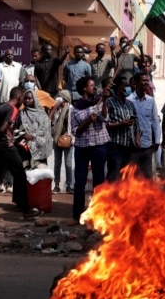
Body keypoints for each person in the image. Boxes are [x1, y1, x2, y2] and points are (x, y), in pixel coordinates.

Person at [0, 87, 35, 221]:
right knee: (20, 176)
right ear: (19, 97)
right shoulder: (12, 109)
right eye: (23, 97)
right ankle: (26, 211)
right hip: (6, 147)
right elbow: (2, 128)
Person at [71, 76, 109, 221]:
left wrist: (105, 100)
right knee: (79, 181)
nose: (95, 88)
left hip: (99, 145)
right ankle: (78, 215)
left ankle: (99, 214)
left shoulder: (98, 102)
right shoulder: (75, 107)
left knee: (99, 181)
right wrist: (88, 121)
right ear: (84, 89)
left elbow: (105, 118)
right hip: (82, 147)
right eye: (92, 86)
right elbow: (76, 131)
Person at [128, 72, 161, 179]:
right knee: (132, 176)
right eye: (143, 80)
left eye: (147, 80)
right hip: (132, 145)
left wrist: (157, 140)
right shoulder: (129, 100)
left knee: (147, 177)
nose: (146, 83)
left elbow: (155, 121)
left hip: (147, 145)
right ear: (135, 82)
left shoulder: (151, 101)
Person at [106, 76, 139, 182]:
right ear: (120, 87)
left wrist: (137, 138)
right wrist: (120, 124)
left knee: (127, 177)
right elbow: (105, 124)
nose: (129, 88)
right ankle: (110, 197)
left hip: (130, 146)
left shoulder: (130, 104)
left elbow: (137, 124)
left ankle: (123, 198)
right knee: (114, 176)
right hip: (116, 146)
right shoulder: (109, 102)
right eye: (127, 86)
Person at [49, 90, 74, 194]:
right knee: (57, 163)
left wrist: (72, 138)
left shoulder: (71, 109)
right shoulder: (57, 109)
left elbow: (72, 125)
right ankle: (57, 185)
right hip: (56, 139)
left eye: (60, 97)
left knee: (68, 163)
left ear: (65, 98)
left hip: (68, 139)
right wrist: (55, 107)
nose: (58, 99)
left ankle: (68, 185)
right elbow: (50, 120)